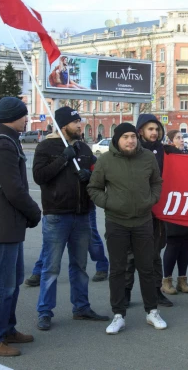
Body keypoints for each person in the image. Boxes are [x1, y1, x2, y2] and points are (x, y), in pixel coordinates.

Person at [32, 107, 109, 331]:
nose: (80, 125)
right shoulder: (47, 147)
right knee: (51, 267)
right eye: (76, 122)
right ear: (63, 125)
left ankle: (81, 307)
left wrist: (91, 175)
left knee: (80, 266)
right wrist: (63, 159)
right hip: (57, 215)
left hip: (82, 214)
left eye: (80, 121)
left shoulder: (83, 148)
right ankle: (44, 311)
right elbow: (40, 176)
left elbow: (99, 173)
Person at [88, 123, 166, 334]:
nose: (130, 140)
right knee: (118, 270)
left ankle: (152, 312)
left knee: (147, 268)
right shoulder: (105, 160)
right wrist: (110, 202)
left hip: (143, 222)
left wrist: (151, 199)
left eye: (133, 136)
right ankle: (118, 315)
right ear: (117, 139)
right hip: (117, 222)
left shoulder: (148, 157)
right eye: (125, 137)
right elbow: (93, 188)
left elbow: (157, 182)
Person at [0, 97, 42, 356]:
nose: (27, 118)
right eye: (24, 115)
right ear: (12, 116)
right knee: (3, 284)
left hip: (8, 222)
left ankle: (7, 329)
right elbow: (14, 189)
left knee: (13, 279)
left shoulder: (5, 139)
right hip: (2, 222)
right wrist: (34, 211)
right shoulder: (3, 144)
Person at [134, 113, 173, 307]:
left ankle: (156, 291)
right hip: (136, 212)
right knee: (131, 256)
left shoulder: (166, 151)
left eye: (157, 129)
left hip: (157, 212)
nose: (155, 132)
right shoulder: (132, 150)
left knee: (155, 254)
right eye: (150, 129)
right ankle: (124, 294)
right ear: (140, 131)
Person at [25, 202, 109, 287]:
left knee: (92, 237)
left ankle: (102, 265)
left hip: (82, 206)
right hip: (59, 207)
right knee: (51, 243)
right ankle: (39, 271)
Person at [161, 130, 188, 295]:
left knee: (186, 244)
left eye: (182, 137)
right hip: (174, 205)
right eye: (177, 137)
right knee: (173, 244)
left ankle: (182, 280)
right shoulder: (167, 156)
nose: (181, 140)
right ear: (170, 141)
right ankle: (166, 280)